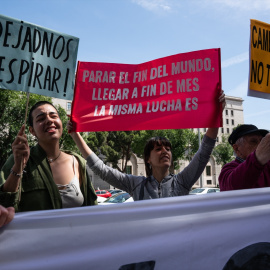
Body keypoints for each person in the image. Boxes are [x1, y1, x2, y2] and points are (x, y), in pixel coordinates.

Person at [68, 91, 226, 201]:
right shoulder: (136, 184)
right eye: (158, 149)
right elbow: (101, 169)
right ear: (148, 159)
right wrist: (75, 135)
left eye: (168, 149)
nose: (165, 151)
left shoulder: (182, 181)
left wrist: (217, 115)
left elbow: (205, 151)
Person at [0, 101, 97, 212]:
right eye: (41, 119)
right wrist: (18, 167)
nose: (49, 120)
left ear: (61, 122)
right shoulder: (19, 159)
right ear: (32, 131)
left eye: (54, 116)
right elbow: (4, 207)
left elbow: (92, 210)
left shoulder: (78, 162)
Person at [219, 124, 270, 191]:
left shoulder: (267, 165)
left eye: (262, 141)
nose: (260, 145)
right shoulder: (228, 169)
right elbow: (232, 187)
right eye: (253, 141)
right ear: (237, 149)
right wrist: (258, 157)